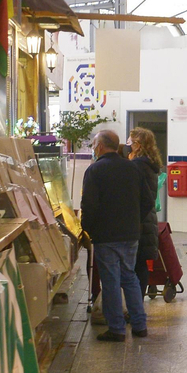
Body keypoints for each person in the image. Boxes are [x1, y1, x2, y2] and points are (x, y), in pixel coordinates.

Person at [80, 129, 147, 341]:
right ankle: (139, 325)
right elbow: (147, 201)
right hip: (130, 234)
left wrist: (87, 227)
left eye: (93, 143)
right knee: (130, 278)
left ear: (100, 146)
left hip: (106, 237)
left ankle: (117, 329)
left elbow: (89, 205)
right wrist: (134, 221)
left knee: (110, 282)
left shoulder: (95, 171)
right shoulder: (132, 168)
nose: (93, 147)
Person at [128, 127, 164, 298]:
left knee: (136, 265)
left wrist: (134, 221)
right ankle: (138, 303)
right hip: (148, 220)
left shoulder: (138, 165)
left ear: (138, 144)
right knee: (141, 264)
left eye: (131, 142)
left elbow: (142, 198)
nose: (128, 146)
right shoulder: (149, 163)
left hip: (140, 222)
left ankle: (135, 304)